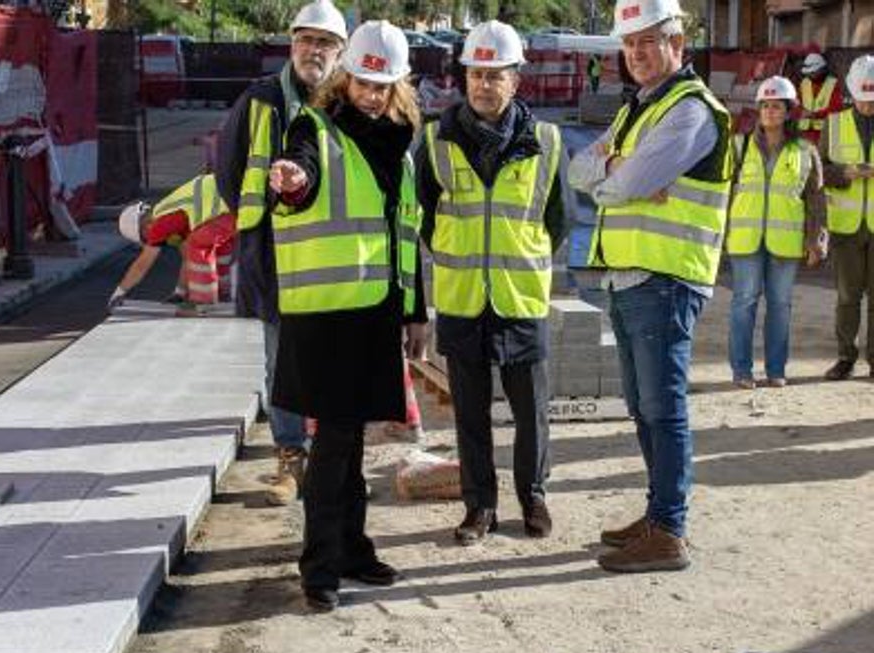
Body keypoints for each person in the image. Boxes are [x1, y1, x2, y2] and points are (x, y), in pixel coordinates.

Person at [266, 20, 427, 611]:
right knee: (333, 446)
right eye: (363, 82)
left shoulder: (401, 143)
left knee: (355, 442)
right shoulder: (315, 126)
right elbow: (299, 170)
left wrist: (415, 312)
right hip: (329, 316)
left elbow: (405, 237)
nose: (373, 94)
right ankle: (320, 569)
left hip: (375, 313)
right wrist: (291, 180)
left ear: (398, 86)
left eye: (384, 86)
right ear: (346, 76)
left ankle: (354, 549)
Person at [570, 0, 733, 573]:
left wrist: (620, 172)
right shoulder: (640, 108)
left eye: (649, 41)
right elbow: (578, 171)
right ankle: (658, 513)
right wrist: (621, 172)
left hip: (666, 279)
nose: (637, 53)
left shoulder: (690, 111)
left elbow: (621, 182)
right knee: (643, 407)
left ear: (677, 44)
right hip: (629, 276)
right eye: (630, 44)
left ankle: (670, 530)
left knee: (663, 409)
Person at [416, 21, 566, 545]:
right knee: (471, 417)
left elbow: (557, 220)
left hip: (521, 298)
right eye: (475, 73)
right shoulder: (435, 140)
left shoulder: (546, 141)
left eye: (495, 75)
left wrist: (520, 257)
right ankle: (479, 507)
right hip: (462, 300)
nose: (483, 84)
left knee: (532, 414)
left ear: (515, 80)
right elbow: (426, 218)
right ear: (464, 77)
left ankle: (534, 498)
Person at [216, 0, 348, 506]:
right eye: (306, 40)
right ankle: (291, 455)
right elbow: (230, 175)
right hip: (275, 257)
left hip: (334, 256)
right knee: (282, 362)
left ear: (339, 52)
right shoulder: (259, 101)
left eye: (325, 43)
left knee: (334, 359)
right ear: (292, 43)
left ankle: (334, 456)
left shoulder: (347, 104)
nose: (314, 51)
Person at [726, 76, 827, 389]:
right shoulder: (738, 146)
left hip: (785, 241)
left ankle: (775, 370)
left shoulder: (805, 151)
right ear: (758, 109)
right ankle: (742, 371)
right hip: (746, 240)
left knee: (780, 305)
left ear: (788, 111)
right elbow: (722, 194)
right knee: (744, 302)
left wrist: (816, 240)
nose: (770, 111)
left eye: (777, 106)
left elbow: (816, 199)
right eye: (766, 105)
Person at [819, 54, 874, 381]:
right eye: (865, 100)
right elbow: (820, 172)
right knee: (847, 297)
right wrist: (847, 173)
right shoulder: (834, 123)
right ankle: (845, 357)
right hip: (845, 228)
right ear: (853, 93)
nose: (869, 106)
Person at [110, 173, 235, 309]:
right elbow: (187, 258)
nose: (150, 241)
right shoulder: (170, 212)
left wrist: (119, 291)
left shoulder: (158, 224)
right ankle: (223, 293)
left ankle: (203, 303)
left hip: (224, 205)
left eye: (145, 239)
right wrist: (179, 293)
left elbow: (142, 264)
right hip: (231, 197)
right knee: (213, 244)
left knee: (199, 245)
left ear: (143, 227)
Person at [797, 52, 843, 147]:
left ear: (822, 70)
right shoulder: (804, 84)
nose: (811, 75)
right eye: (809, 73)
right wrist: (801, 112)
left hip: (826, 134)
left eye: (813, 72)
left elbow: (836, 109)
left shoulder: (833, 84)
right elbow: (796, 105)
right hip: (805, 134)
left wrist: (815, 114)